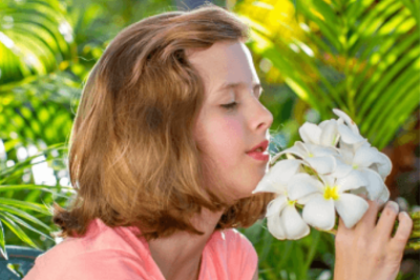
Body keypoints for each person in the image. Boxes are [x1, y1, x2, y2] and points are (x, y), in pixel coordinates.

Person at [23, 4, 413, 280]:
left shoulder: (229, 257)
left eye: (256, 94)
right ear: (160, 138)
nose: (265, 116)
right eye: (229, 103)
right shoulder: (89, 273)